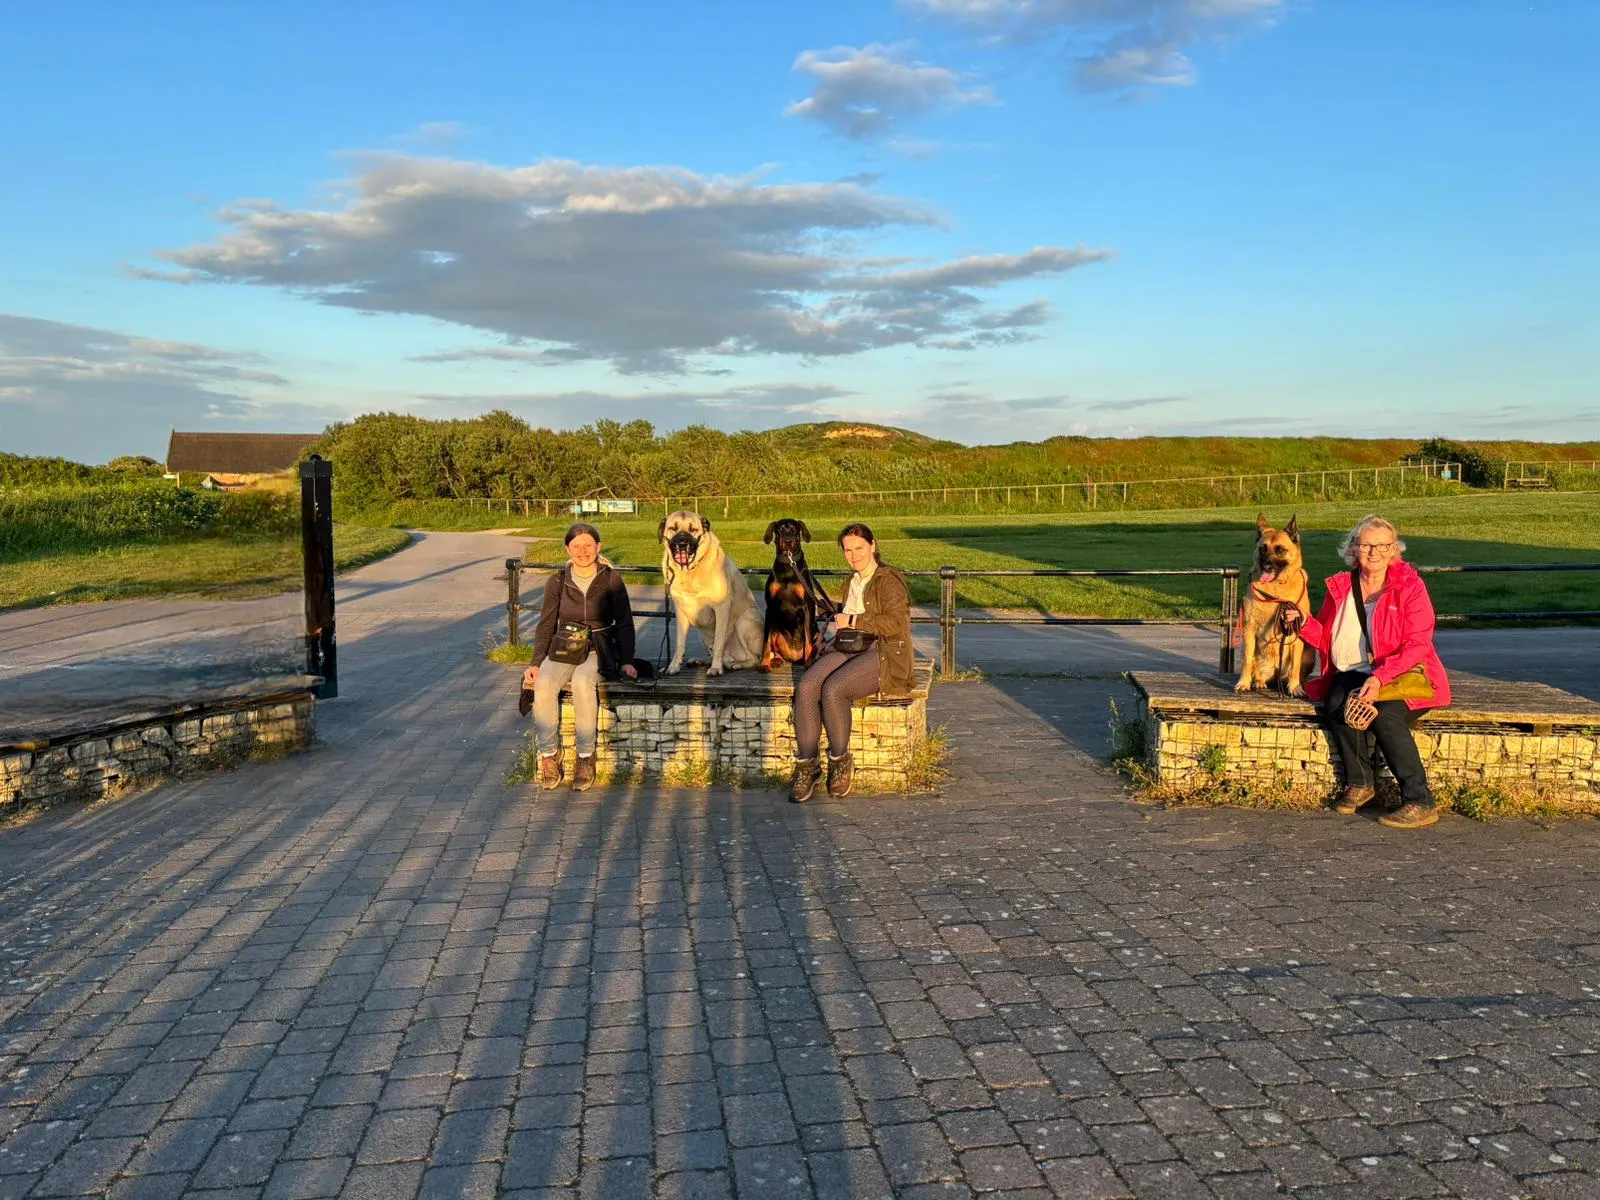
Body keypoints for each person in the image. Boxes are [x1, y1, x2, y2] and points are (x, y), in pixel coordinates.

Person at [1287, 515, 1451, 829]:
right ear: (1353, 549)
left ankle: (1419, 800)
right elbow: (1329, 637)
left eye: (1382, 546)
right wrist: (1302, 622)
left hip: (1405, 675)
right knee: (1337, 704)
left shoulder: (1410, 586)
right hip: (1356, 671)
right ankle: (1360, 783)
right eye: (1365, 545)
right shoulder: (1342, 587)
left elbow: (1418, 644)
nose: (1374, 552)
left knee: (1385, 714)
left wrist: (1379, 679)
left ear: (1394, 550)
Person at [788, 523, 915, 802]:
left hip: (883, 651)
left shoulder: (887, 580)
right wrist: (832, 635)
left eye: (859, 548)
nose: (854, 555)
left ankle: (840, 761)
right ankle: (808, 767)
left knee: (835, 689)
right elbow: (847, 625)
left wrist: (854, 620)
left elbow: (897, 623)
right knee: (808, 685)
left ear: (873, 545)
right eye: (848, 550)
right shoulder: (852, 582)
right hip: (850, 646)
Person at [521, 523, 637, 792]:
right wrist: (536, 663)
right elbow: (546, 624)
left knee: (585, 682)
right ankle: (549, 755)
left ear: (598, 547)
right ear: (567, 549)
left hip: (599, 646)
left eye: (588, 545)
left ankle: (586, 757)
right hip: (565, 647)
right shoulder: (558, 581)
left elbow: (625, 623)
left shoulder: (611, 579)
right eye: (576, 546)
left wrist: (628, 660)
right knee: (545, 683)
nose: (583, 551)